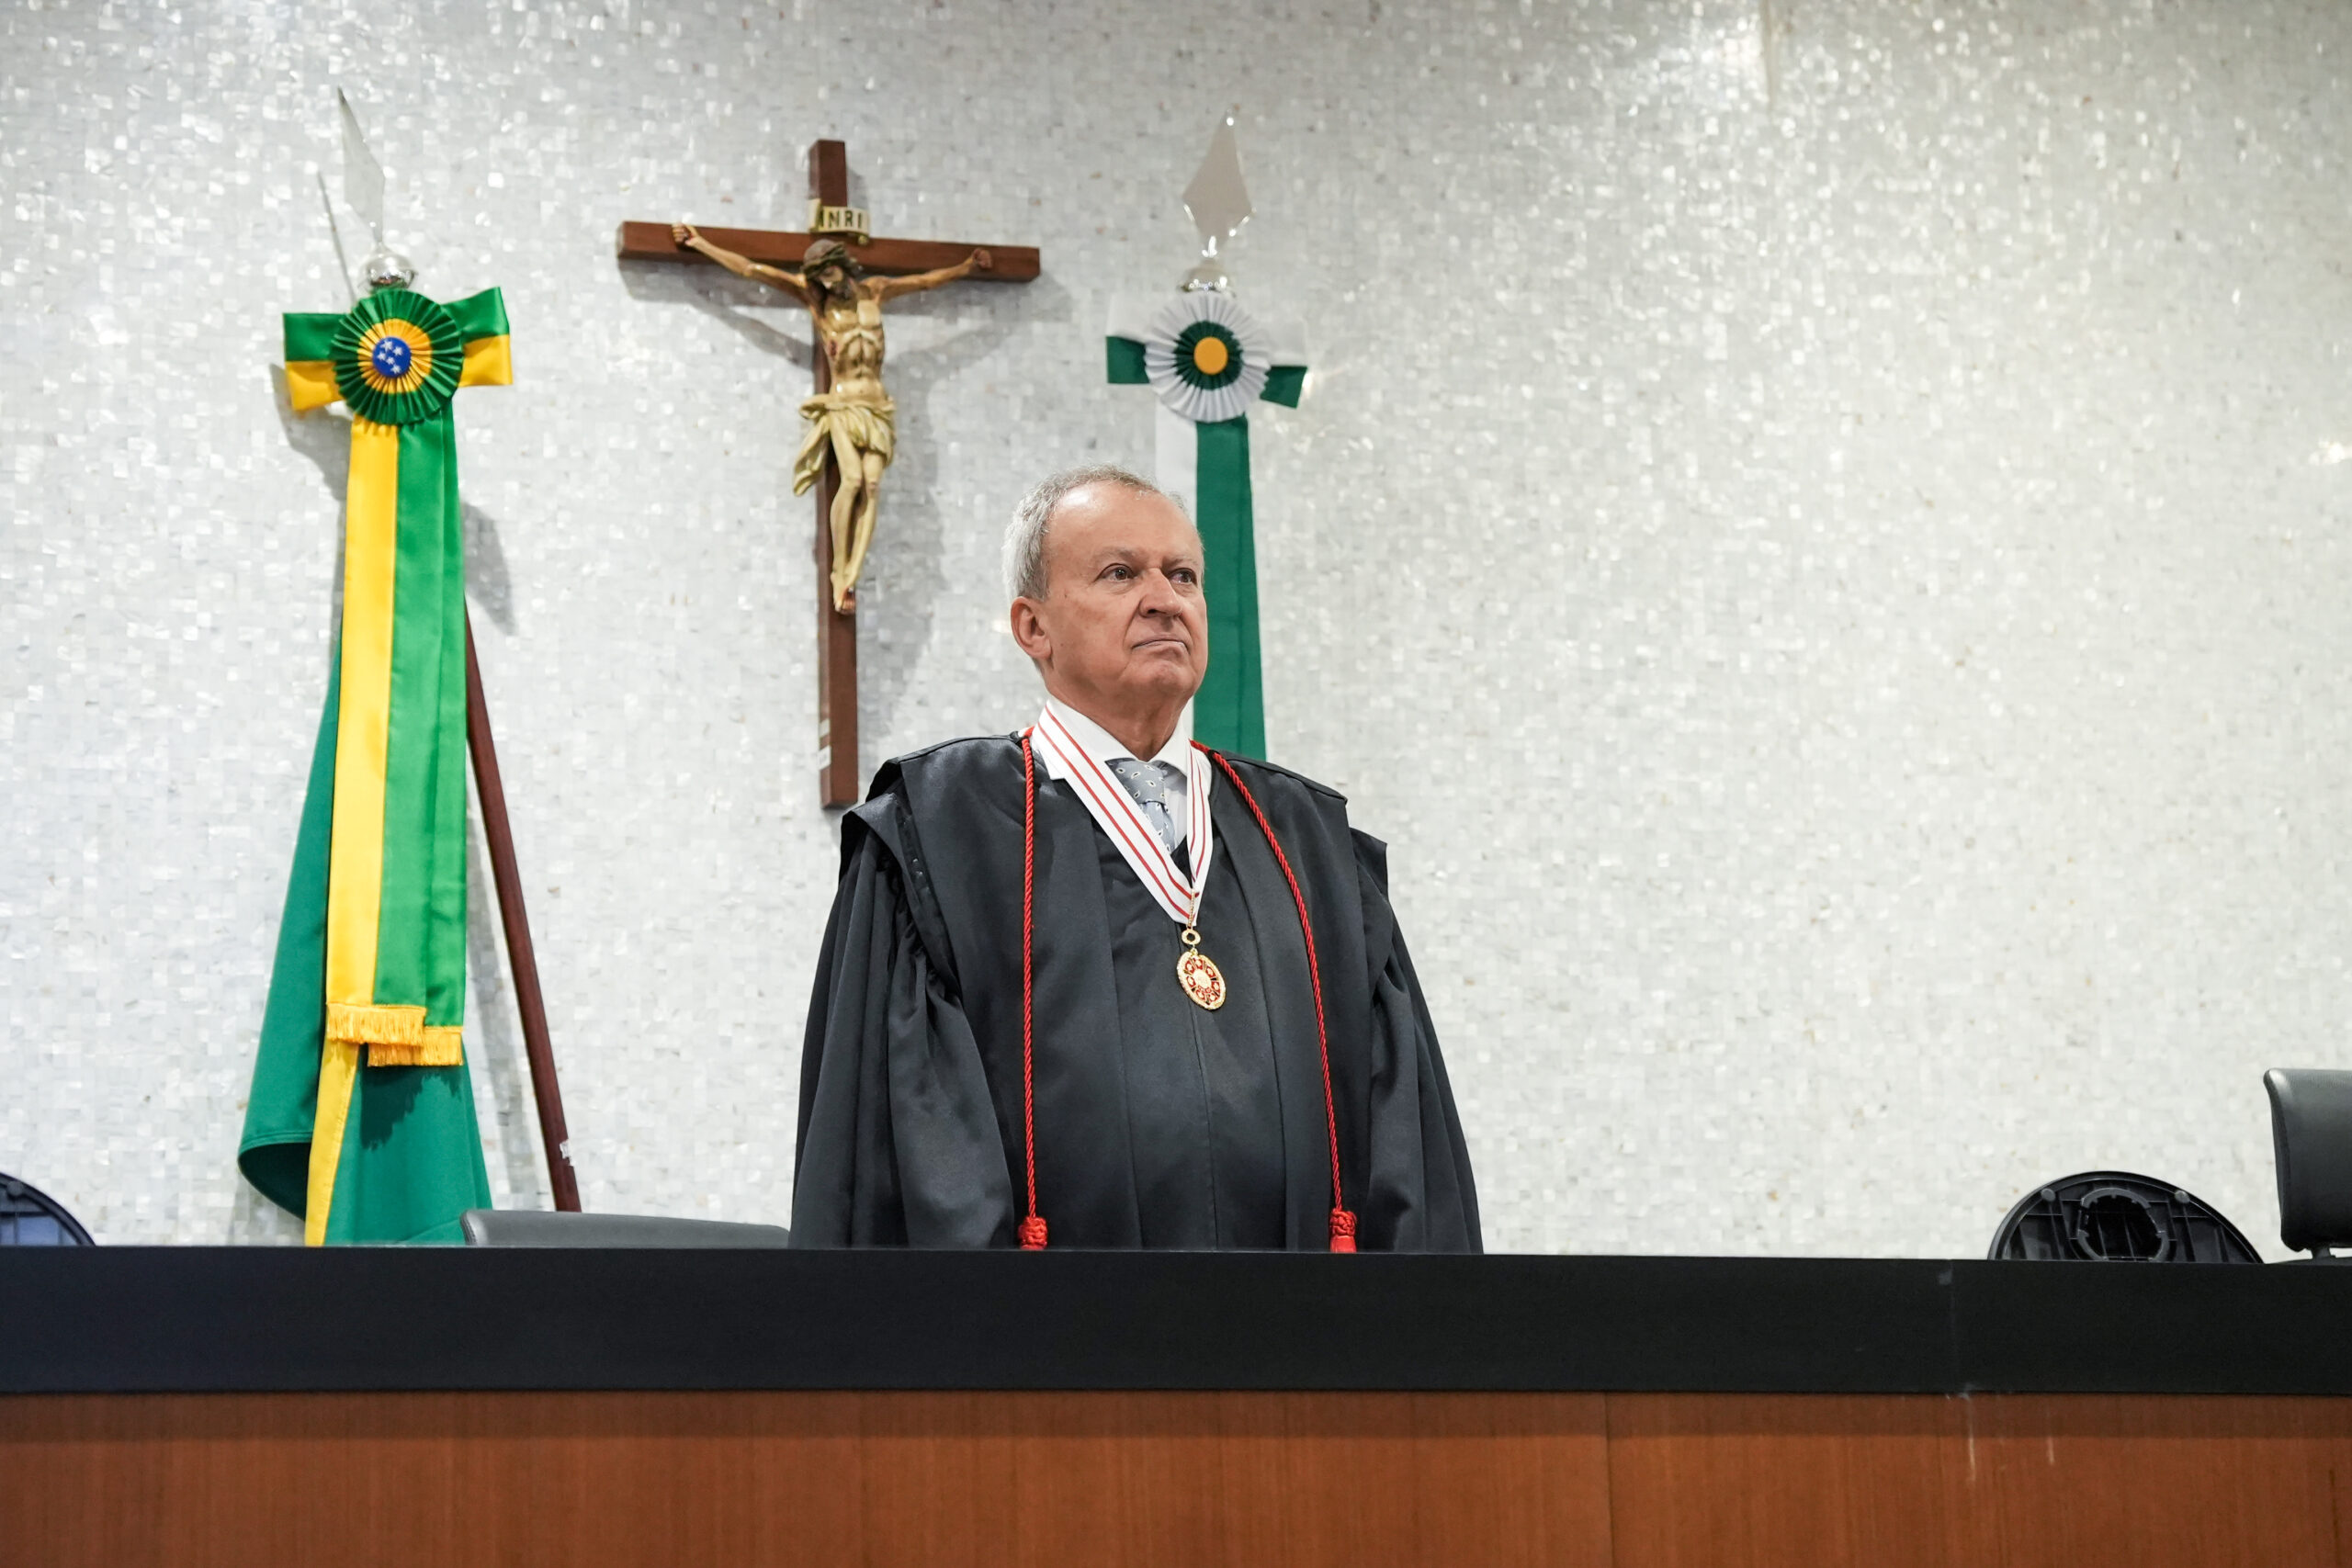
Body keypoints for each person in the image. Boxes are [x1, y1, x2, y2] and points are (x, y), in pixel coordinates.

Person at [790, 466, 1481, 1251]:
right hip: (1046, 1354)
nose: (1164, 598)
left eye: (1182, 574)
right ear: (1033, 626)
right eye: (1120, 573)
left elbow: (1406, 1156)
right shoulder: (941, 835)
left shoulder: (1307, 843)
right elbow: (910, 1155)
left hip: (1299, 1355)